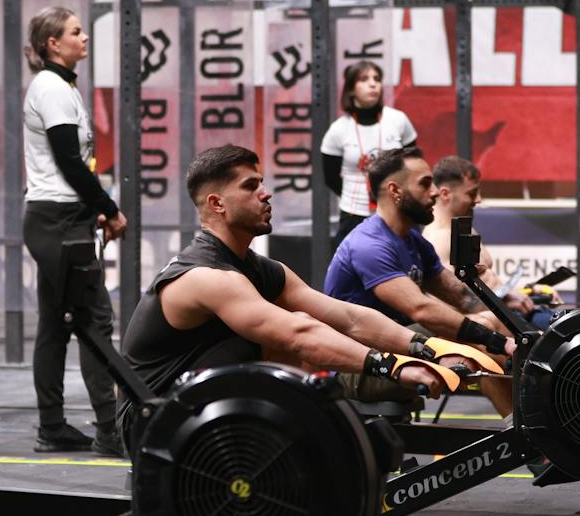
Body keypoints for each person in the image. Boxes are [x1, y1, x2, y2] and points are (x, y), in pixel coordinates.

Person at [121, 144, 469, 405]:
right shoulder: (207, 276)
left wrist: (429, 349)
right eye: (250, 186)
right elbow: (299, 334)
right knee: (289, 338)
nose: (265, 193)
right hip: (156, 421)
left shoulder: (260, 269)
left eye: (261, 183)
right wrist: (393, 367)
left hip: (201, 407)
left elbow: (349, 318)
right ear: (217, 204)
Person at [324, 145, 517, 411]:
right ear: (395, 191)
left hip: (403, 344)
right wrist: (499, 342)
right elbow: (421, 309)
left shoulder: (413, 241)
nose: (435, 191)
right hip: (360, 364)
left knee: (489, 320)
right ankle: (522, 428)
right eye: (425, 184)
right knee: (477, 336)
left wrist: (519, 330)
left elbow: (460, 296)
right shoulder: (369, 244)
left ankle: (531, 417)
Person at [21, 5, 126, 457]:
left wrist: (92, 209)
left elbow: (70, 163)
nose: (84, 38)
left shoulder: (60, 86)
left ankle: (53, 426)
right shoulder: (52, 88)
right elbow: (69, 162)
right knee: (94, 321)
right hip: (58, 220)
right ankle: (108, 430)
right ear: (53, 43)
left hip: (61, 217)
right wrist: (109, 208)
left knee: (56, 324)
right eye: (76, 31)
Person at [428, 153, 538, 322]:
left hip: (505, 314)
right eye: (472, 194)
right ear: (445, 194)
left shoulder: (463, 227)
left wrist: (530, 290)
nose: (478, 199)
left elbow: (490, 285)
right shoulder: (437, 240)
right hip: (493, 324)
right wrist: (505, 304)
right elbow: (450, 306)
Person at [319, 59, 417, 245]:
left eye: (377, 78)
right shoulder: (338, 129)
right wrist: (355, 196)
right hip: (354, 212)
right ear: (351, 89)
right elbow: (331, 178)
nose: (373, 84)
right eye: (364, 79)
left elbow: (414, 164)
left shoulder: (398, 120)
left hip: (398, 208)